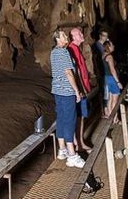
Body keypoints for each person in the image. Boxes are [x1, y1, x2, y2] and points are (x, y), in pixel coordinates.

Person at [50, 30, 86, 168]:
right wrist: (77, 91)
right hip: (66, 91)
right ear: (58, 39)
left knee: (60, 118)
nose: (67, 37)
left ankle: (62, 150)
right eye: (64, 35)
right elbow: (68, 72)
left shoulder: (53, 52)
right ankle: (72, 155)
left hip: (57, 90)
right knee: (70, 120)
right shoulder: (64, 52)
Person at [68, 27, 93, 152]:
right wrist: (80, 89)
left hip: (80, 89)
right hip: (78, 91)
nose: (82, 35)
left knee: (80, 116)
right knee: (79, 116)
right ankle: (78, 143)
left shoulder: (76, 49)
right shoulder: (72, 49)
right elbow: (75, 71)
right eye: (79, 34)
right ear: (73, 37)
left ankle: (78, 142)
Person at [102, 40, 123, 120]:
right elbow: (112, 70)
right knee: (115, 100)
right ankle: (115, 119)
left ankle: (111, 117)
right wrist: (118, 82)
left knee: (110, 98)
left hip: (106, 78)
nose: (113, 46)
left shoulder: (103, 55)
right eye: (112, 45)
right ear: (108, 46)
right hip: (112, 78)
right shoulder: (110, 56)